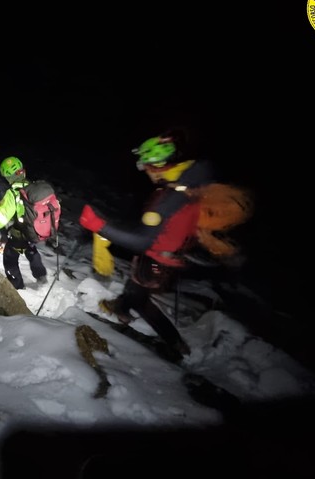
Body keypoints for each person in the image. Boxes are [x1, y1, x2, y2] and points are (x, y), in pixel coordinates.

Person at [78, 129, 216, 361]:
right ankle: (123, 309)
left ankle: (172, 341)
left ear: (159, 165)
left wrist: (99, 226)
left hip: (156, 261)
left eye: (146, 166)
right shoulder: (188, 185)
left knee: (141, 300)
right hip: (168, 257)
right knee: (136, 291)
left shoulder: (171, 198)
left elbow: (142, 240)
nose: (145, 172)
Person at [0, 156, 48, 290]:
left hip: (20, 233)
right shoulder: (33, 186)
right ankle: (41, 277)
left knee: (9, 258)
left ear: (7, 176)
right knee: (31, 251)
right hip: (34, 231)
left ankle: (17, 287)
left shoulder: (12, 193)